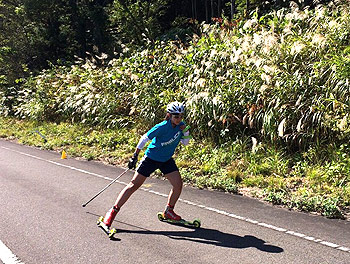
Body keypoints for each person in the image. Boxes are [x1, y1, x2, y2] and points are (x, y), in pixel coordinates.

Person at [102, 101, 191, 227]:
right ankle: (112, 211)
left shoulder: (181, 126)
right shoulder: (161, 127)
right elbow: (144, 138)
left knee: (178, 185)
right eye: (176, 116)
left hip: (166, 160)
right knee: (134, 185)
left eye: (181, 116)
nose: (179, 119)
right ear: (169, 115)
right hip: (151, 159)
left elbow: (185, 143)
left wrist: (186, 132)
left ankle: (169, 211)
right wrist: (135, 156)